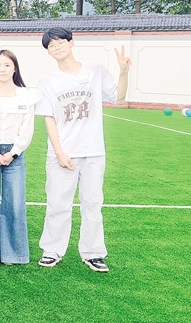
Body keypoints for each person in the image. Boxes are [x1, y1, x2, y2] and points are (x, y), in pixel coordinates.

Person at [36, 28, 130, 273]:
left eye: (60, 42)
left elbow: (119, 98)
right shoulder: (48, 80)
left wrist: (124, 71)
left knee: (93, 203)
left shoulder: (94, 70)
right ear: (48, 52)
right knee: (57, 204)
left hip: (93, 151)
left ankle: (93, 253)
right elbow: (48, 117)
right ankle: (52, 250)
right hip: (62, 153)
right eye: (51, 45)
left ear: (72, 43)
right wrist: (59, 152)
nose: (56, 47)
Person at [0, 50, 37, 265]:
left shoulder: (26, 95)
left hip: (15, 155)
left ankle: (13, 254)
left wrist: (13, 152)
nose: (2, 69)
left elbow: (27, 128)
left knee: (15, 203)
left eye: (7, 65)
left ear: (15, 68)